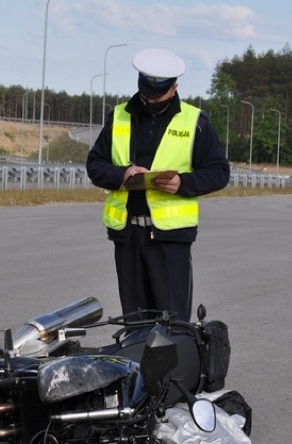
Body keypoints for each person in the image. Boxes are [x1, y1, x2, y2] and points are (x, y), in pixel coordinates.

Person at [86, 48, 230, 322]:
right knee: (135, 321)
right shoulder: (118, 117)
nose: (150, 100)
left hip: (170, 239)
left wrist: (182, 183)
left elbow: (219, 172)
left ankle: (174, 367)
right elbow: (95, 165)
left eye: (158, 95)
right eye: (146, 95)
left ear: (174, 88)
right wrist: (122, 175)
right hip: (128, 236)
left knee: (172, 323)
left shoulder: (195, 122)